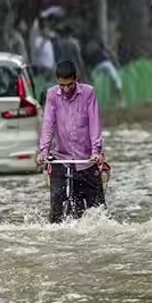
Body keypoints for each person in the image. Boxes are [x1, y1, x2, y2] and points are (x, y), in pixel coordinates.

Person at [37, 60, 107, 222]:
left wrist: (95, 151)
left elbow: (94, 123)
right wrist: (44, 151)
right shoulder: (52, 95)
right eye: (62, 85)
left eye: (70, 85)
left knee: (99, 213)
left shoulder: (89, 93)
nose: (66, 89)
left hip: (87, 160)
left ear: (76, 79)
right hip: (62, 159)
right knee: (56, 214)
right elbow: (48, 123)